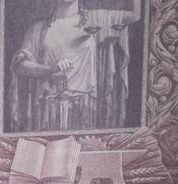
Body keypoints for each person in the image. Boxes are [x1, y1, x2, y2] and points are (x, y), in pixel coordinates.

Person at [8, 0, 142, 132]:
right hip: (49, 108)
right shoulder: (39, 28)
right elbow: (20, 65)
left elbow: (135, 15)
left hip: (85, 107)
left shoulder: (97, 20)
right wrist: (50, 69)